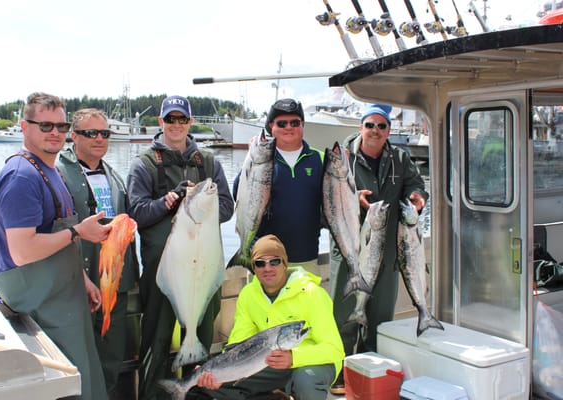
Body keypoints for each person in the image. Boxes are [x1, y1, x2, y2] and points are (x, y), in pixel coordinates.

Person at [0, 92, 109, 400]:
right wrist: (78, 233)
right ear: (24, 127)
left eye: (60, 125)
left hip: (65, 301)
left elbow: (56, 235)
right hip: (41, 309)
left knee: (86, 382)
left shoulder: (51, 172)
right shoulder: (21, 177)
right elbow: (22, 251)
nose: (55, 132)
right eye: (45, 125)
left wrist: (82, 280)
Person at [126, 95, 234, 400]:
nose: (176, 125)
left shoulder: (209, 162)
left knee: (201, 340)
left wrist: (203, 202)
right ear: (161, 123)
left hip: (203, 269)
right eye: (170, 119)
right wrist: (167, 202)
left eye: (182, 119)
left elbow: (227, 206)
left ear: (189, 122)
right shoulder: (144, 163)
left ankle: (196, 395)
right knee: (157, 343)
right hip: (165, 273)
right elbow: (136, 212)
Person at [329, 103, 428, 392]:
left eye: (381, 126)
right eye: (370, 125)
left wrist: (418, 198)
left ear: (388, 130)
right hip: (348, 251)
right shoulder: (341, 157)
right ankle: (341, 370)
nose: (375, 131)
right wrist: (353, 198)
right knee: (345, 314)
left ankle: (373, 373)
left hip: (387, 254)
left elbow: (416, 185)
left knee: (381, 317)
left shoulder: (400, 157)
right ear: (360, 126)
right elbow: (329, 195)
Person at [189, 234, 344, 400]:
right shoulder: (248, 294)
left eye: (274, 261)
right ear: (253, 268)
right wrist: (219, 373)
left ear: (285, 263)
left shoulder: (313, 294)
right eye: (260, 263)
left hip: (312, 362)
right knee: (199, 389)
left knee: (305, 382)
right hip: (268, 362)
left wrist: (294, 357)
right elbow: (237, 344)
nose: (267, 268)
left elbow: (334, 350)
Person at [57, 108, 140, 395]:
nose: (99, 139)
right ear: (74, 136)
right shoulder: (58, 175)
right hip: (79, 284)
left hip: (116, 283)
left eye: (104, 133)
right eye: (90, 133)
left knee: (111, 357)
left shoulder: (113, 175)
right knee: (79, 361)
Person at [233, 98, 324, 271]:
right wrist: (250, 159)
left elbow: (336, 200)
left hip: (306, 256)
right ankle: (243, 254)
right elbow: (238, 193)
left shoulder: (320, 159)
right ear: (271, 127)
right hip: (264, 259)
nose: (288, 127)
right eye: (281, 123)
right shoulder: (259, 158)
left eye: (294, 122)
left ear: (303, 124)